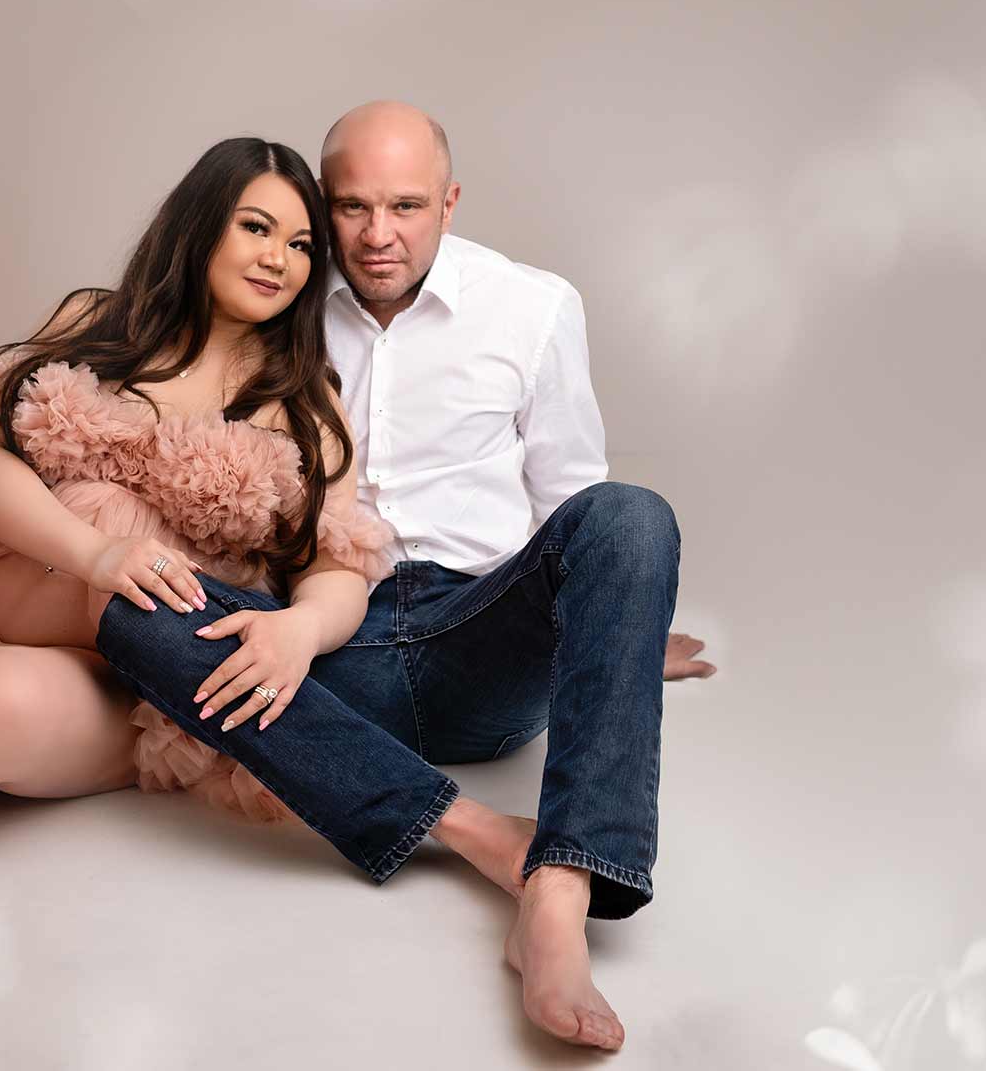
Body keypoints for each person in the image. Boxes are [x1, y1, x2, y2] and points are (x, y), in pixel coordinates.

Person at [93, 101, 713, 1052]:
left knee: (633, 512)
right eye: (351, 208)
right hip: (328, 653)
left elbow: (574, 506)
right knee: (136, 614)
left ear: (451, 202)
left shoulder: (534, 305)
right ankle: (466, 829)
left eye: (408, 206)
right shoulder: (276, 304)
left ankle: (559, 886)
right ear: (322, 205)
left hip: (481, 633)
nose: (378, 236)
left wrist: (615, 633)